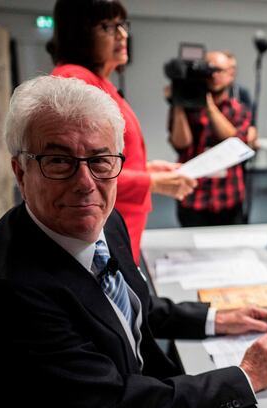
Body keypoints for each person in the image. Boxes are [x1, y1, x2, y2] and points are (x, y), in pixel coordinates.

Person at [0, 75, 267, 408]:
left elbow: (131, 303)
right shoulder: (7, 291)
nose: (86, 182)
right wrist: (243, 378)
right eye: (58, 161)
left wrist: (214, 318)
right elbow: (111, 406)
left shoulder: (103, 223)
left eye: (101, 160)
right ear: (20, 170)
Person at [48, 0, 195, 264]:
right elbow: (82, 172)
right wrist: (152, 182)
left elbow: (106, 157)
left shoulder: (98, 82)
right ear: (79, 32)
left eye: (122, 25)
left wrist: (147, 169)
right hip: (102, 224)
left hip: (117, 219)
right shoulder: (75, 81)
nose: (123, 35)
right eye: (108, 26)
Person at [169, 50, 251, 227]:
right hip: (193, 197)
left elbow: (234, 142)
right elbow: (181, 144)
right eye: (209, 71)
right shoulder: (185, 107)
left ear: (230, 75)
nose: (214, 76)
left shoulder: (238, 109)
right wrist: (178, 103)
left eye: (219, 71)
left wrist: (208, 105)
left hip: (228, 196)